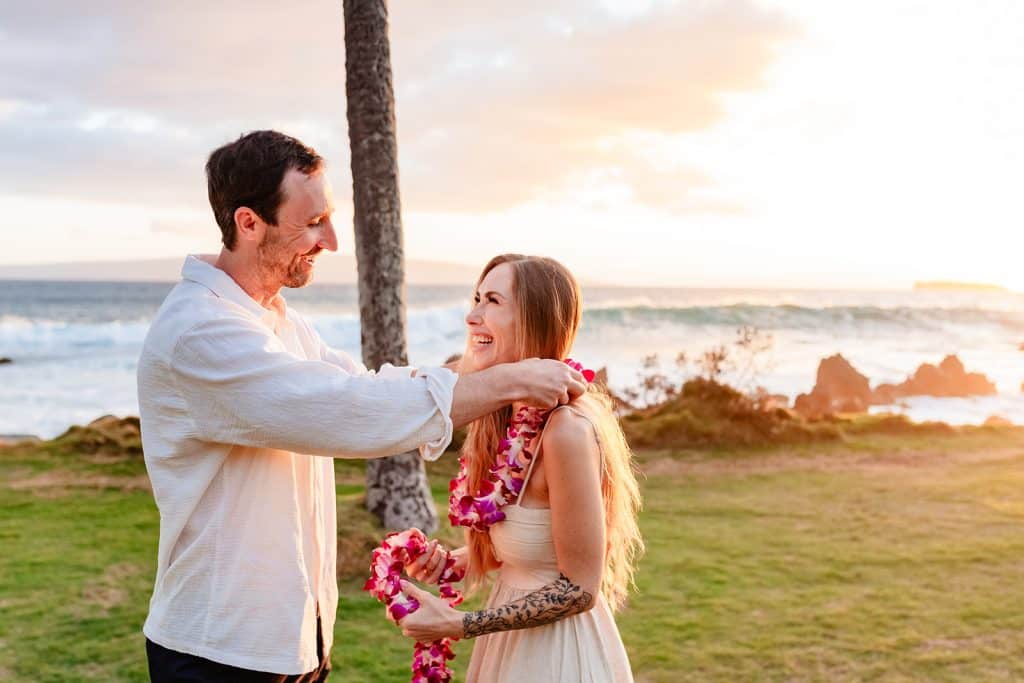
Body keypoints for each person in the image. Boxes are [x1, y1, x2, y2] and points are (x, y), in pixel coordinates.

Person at [137, 131, 587, 682]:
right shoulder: (202, 333)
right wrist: (511, 379)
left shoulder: (277, 320)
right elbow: (345, 410)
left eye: (329, 218)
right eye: (311, 222)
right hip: (221, 647)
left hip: (292, 639)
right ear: (249, 222)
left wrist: (486, 369)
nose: (330, 240)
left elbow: (369, 386)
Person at [395, 254, 644, 682]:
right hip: (508, 653)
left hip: (558, 657)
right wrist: (459, 562)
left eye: (492, 301)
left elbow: (578, 588)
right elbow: (527, 557)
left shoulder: (565, 430)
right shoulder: (503, 421)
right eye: (475, 298)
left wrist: (458, 624)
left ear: (535, 320)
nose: (473, 316)